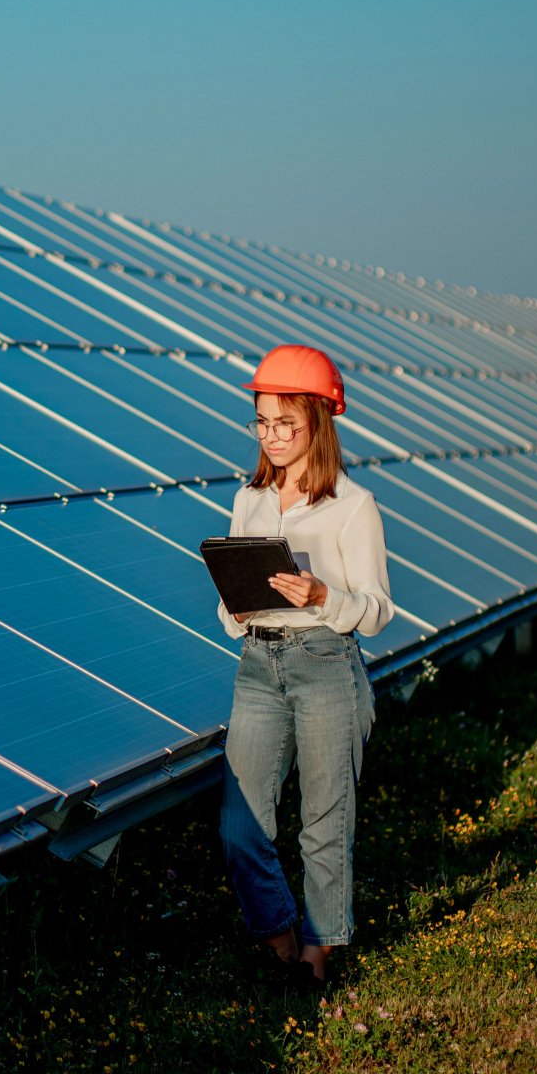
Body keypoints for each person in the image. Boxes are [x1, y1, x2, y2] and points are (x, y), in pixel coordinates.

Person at [218, 343, 394, 990]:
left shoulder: (353, 505)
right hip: (257, 665)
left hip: (327, 665)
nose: (272, 436)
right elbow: (230, 604)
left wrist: (324, 597)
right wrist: (235, 604)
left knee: (325, 822)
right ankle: (279, 936)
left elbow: (375, 612)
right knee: (240, 827)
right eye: (262, 422)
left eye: (285, 423)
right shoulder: (249, 499)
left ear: (320, 420)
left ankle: (317, 959)